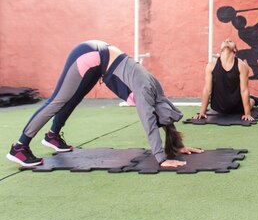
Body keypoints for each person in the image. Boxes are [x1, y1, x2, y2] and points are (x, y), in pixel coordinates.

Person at [6, 40, 203, 168]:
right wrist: (162, 158)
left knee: (74, 98)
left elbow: (164, 117)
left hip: (102, 62)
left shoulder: (158, 94)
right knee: (57, 101)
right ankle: (20, 147)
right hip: (91, 55)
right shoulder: (145, 92)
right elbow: (149, 122)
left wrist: (177, 147)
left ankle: (53, 136)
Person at [193, 39, 258, 121]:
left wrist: (247, 114)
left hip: (238, 105)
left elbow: (244, 90)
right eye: (224, 41)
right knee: (223, 108)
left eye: (230, 41)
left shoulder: (242, 65)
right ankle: (250, 98)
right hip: (218, 106)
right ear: (221, 49)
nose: (226, 41)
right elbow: (207, 89)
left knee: (249, 102)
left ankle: (253, 99)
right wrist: (202, 112)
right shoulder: (211, 65)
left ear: (235, 49)